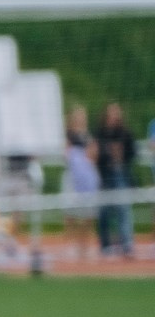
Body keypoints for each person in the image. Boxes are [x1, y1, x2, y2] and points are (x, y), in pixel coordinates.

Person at [92, 101, 137, 257]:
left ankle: (126, 244)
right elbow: (95, 155)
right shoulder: (100, 133)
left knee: (123, 209)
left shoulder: (125, 133)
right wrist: (107, 154)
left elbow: (132, 152)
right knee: (104, 211)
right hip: (104, 175)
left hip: (121, 174)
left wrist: (121, 155)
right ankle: (106, 245)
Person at [61, 110, 101, 261]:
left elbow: (94, 155)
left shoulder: (89, 137)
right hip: (73, 179)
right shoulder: (68, 136)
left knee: (88, 214)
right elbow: (65, 154)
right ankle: (71, 244)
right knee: (70, 213)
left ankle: (83, 245)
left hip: (87, 180)